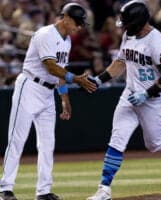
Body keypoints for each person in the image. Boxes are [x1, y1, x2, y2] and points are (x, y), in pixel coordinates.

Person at [86, 1, 161, 200]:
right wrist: (100, 79)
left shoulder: (157, 43)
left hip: (154, 99)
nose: (125, 26)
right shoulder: (128, 35)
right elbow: (120, 61)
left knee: (155, 145)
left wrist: (146, 94)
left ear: (139, 22)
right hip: (130, 95)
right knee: (117, 139)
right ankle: (104, 188)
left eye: (128, 23)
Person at [0, 3, 96, 200]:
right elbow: (51, 66)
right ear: (67, 18)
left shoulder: (67, 40)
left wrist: (64, 98)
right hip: (29, 87)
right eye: (77, 23)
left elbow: (60, 72)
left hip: (48, 93)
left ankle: (43, 191)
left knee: (47, 144)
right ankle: (4, 188)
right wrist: (77, 79)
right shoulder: (45, 34)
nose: (78, 27)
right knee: (17, 140)